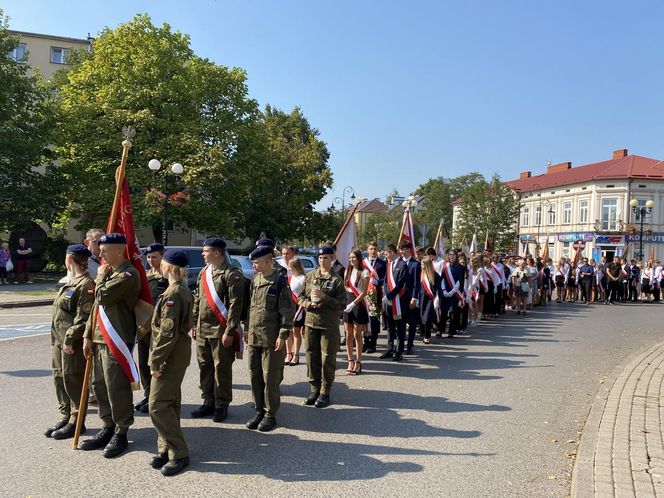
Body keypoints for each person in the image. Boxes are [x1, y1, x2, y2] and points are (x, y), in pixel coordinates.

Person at [79, 233, 140, 458]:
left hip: (116, 339)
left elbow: (102, 296)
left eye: (104, 250)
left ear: (118, 250)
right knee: (99, 385)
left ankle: (121, 431)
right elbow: (95, 308)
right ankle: (107, 426)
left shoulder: (128, 273)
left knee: (116, 387)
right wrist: (87, 335)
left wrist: (100, 277)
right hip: (97, 337)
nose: (100, 253)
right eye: (100, 249)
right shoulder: (109, 272)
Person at [147, 249, 193, 476]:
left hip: (170, 355)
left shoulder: (173, 294)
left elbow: (167, 334)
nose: (160, 267)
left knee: (156, 405)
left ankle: (179, 452)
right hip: (176, 352)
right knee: (170, 402)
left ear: (170, 267)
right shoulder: (178, 289)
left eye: (163, 263)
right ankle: (165, 448)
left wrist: (156, 361)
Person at [191, 238, 245, 422]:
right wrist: (194, 323)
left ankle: (222, 404)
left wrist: (230, 331)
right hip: (202, 329)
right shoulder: (204, 272)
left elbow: (235, 305)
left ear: (217, 253)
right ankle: (208, 401)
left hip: (220, 330)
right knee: (204, 367)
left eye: (205, 251)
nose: (202, 254)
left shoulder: (231, 274)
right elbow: (198, 299)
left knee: (221, 368)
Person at [45, 244, 95, 440]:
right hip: (57, 341)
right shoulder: (71, 283)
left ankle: (77, 421)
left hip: (70, 343)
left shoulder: (86, 285)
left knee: (73, 380)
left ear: (70, 259)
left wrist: (69, 339)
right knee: (60, 378)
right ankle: (66, 415)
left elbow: (83, 319)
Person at [246, 240, 294, 431]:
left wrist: (283, 335)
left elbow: (286, 311)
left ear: (267, 261)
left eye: (256, 262)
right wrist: (248, 330)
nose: (254, 266)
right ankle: (259, 410)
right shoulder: (256, 280)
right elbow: (252, 308)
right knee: (254, 375)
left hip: (271, 338)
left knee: (270, 378)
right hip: (255, 336)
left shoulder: (279, 280)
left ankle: (270, 414)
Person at [298, 245, 346, 407]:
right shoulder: (310, 276)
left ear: (332, 259)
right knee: (312, 357)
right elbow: (300, 297)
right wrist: (309, 304)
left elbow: (342, 304)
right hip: (311, 322)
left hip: (328, 325)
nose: (322, 261)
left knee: (327, 359)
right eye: (320, 258)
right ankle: (314, 389)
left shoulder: (336, 280)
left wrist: (325, 298)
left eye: (325, 258)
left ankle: (325, 392)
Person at [135, 243, 168, 414]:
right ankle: (148, 394)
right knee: (143, 363)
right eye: (148, 257)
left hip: (159, 327)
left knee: (156, 363)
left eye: (154, 256)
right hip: (144, 327)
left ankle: (157, 397)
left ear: (162, 256)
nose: (150, 260)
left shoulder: (167, 277)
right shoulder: (145, 276)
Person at [342, 249, 370, 375]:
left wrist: (353, 303)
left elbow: (364, 292)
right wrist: (345, 304)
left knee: (357, 335)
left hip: (358, 303)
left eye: (353, 257)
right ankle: (350, 360)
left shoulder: (364, 272)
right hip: (347, 301)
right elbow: (345, 287)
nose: (351, 260)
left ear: (359, 258)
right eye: (350, 258)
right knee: (348, 335)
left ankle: (358, 361)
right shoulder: (347, 271)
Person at [380, 244, 408, 361]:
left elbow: (401, 285)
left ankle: (399, 351)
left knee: (400, 327)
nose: (386, 257)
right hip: (389, 302)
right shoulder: (389, 264)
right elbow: (386, 282)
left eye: (387, 254)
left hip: (399, 302)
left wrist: (390, 296)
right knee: (390, 326)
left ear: (392, 252)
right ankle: (390, 348)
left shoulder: (402, 265)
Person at [362, 241, 386, 354]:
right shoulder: (363, 263)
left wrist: (377, 281)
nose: (373, 251)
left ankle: (373, 343)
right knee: (365, 319)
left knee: (374, 319)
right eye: (371, 249)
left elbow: (385, 280)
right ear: (367, 250)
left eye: (375, 249)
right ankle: (365, 342)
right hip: (364, 295)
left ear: (378, 250)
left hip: (376, 295)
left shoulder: (382, 263)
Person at [399, 241, 421, 354]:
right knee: (401, 322)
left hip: (410, 298)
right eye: (400, 249)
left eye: (403, 249)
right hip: (400, 298)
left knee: (412, 323)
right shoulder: (398, 262)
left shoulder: (415, 264)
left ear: (408, 250)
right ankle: (401, 345)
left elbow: (417, 284)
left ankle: (410, 345)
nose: (401, 252)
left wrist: (414, 298)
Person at [439, 249, 466, 337]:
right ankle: (441, 330)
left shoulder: (460, 267)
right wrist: (444, 290)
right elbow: (442, 279)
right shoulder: (445, 266)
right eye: (450, 254)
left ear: (456, 256)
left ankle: (451, 331)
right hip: (445, 292)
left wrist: (452, 292)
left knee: (453, 313)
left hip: (454, 293)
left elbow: (460, 281)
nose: (452, 256)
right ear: (448, 256)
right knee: (443, 312)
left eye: (454, 254)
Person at [285, 257, 306, 366]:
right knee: (289, 332)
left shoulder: (302, 278)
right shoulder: (290, 278)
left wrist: (300, 309)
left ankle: (296, 354)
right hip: (289, 307)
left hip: (298, 307)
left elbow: (304, 296)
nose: (288, 267)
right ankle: (289, 354)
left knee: (296, 331)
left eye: (290, 265)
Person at [418, 256, 440, 343]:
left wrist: (437, 299)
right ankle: (424, 333)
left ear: (427, 265)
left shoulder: (436, 275)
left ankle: (427, 336)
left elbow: (438, 289)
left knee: (427, 318)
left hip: (431, 299)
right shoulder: (420, 274)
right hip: (421, 299)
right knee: (422, 318)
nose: (421, 266)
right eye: (421, 264)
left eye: (423, 264)